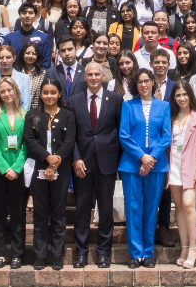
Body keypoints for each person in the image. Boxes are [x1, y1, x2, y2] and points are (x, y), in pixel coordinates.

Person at [68, 61, 122, 269]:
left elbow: (119, 132)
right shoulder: (74, 101)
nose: (92, 78)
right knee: (82, 209)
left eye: (96, 75)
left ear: (102, 77)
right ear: (85, 77)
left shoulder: (115, 100)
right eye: (89, 74)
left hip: (106, 164)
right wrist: (76, 158)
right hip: (82, 163)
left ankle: (103, 253)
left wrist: (116, 162)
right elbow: (71, 135)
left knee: (106, 210)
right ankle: (81, 253)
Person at [119, 69, 172, 268]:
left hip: (156, 166)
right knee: (134, 209)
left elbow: (166, 136)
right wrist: (142, 157)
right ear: (136, 85)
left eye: (147, 81)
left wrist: (151, 158)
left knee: (151, 209)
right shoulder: (128, 106)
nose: (143, 85)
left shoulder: (164, 106)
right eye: (140, 82)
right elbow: (124, 135)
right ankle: (135, 253)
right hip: (132, 164)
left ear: (153, 83)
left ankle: (147, 253)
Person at [24, 78, 75, 270]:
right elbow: (29, 140)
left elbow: (69, 141)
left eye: (53, 92)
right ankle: (39, 255)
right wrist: (47, 158)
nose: (49, 96)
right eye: (46, 92)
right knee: (40, 213)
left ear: (59, 94)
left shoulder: (68, 115)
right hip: (39, 168)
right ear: (41, 95)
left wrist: (55, 161)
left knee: (59, 213)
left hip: (60, 169)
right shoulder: (32, 115)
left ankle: (57, 255)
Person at [0, 76, 28, 269]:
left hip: (18, 171)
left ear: (16, 92)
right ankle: (0, 254)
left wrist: (16, 168)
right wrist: (4, 169)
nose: (6, 94)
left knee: (18, 213)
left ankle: (18, 255)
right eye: (2, 91)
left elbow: (27, 145)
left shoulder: (25, 115)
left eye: (9, 90)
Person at [165, 79, 196, 269]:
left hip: (192, 165)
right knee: (179, 207)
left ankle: (193, 248)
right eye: (178, 95)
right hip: (173, 164)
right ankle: (183, 247)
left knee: (189, 203)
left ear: (190, 96)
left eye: (185, 94)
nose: (182, 98)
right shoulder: (171, 116)